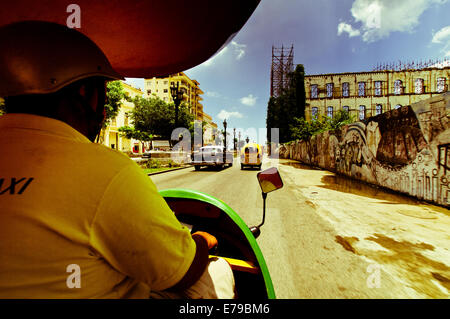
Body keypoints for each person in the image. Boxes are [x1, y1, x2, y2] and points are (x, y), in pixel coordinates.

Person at [0, 21, 234, 298]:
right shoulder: (106, 169)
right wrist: (200, 242)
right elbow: (181, 274)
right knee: (217, 271)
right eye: (103, 93)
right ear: (86, 94)